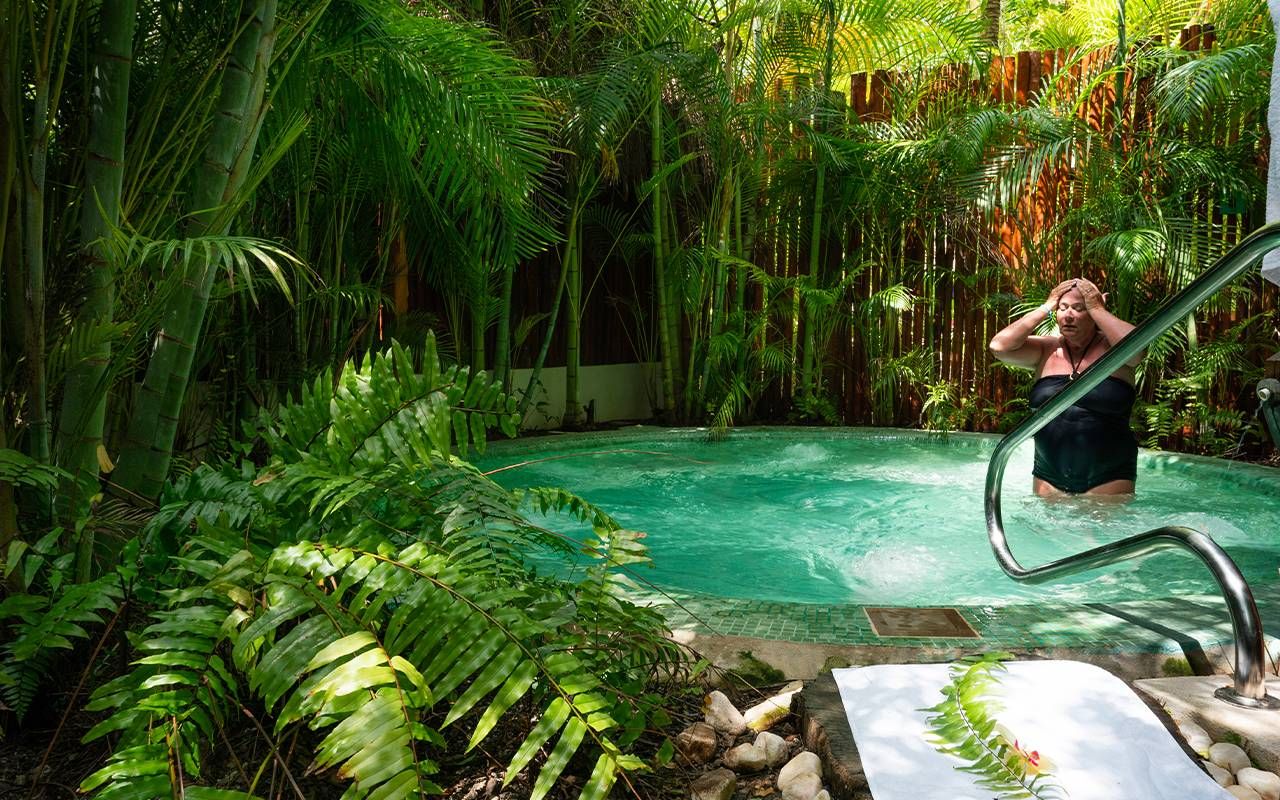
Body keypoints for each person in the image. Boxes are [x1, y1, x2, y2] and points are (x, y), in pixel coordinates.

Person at [989, 278, 1140, 497]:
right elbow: (999, 346)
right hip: (1048, 477)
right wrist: (1046, 306)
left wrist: (1097, 309)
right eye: (1063, 308)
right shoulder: (1045, 349)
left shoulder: (1117, 352)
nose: (1069, 315)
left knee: (1102, 533)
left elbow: (1138, 349)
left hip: (1109, 477)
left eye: (1079, 308)